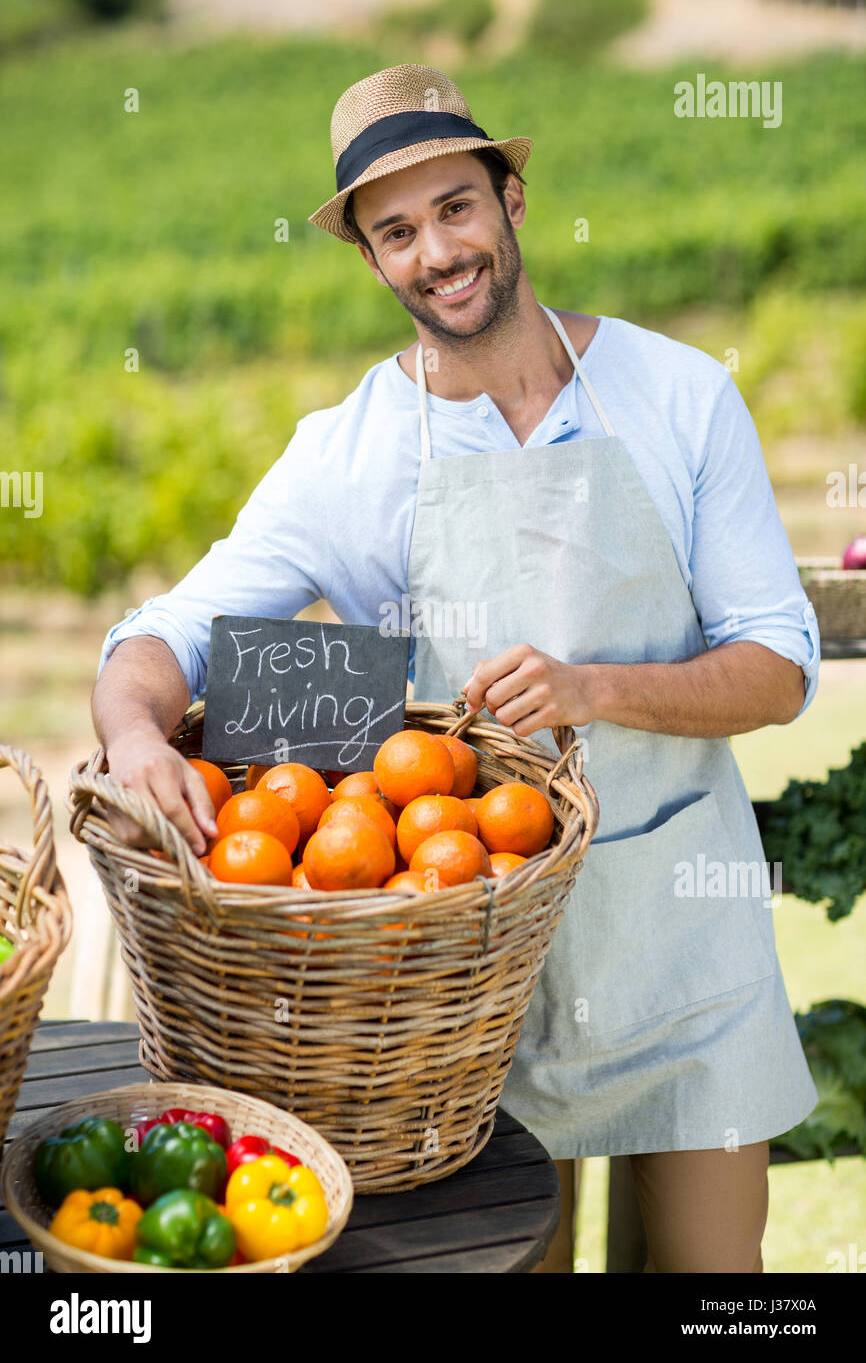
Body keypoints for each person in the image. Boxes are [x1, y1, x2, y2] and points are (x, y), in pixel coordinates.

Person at [93, 63, 821, 1273]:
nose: (435, 250)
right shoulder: (350, 453)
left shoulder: (679, 396)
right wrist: (130, 736)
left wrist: (594, 688)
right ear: (370, 261)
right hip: (458, 979)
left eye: (454, 208)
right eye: (396, 231)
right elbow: (168, 635)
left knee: (714, 1292)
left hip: (679, 936)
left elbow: (779, 665)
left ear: (512, 199)